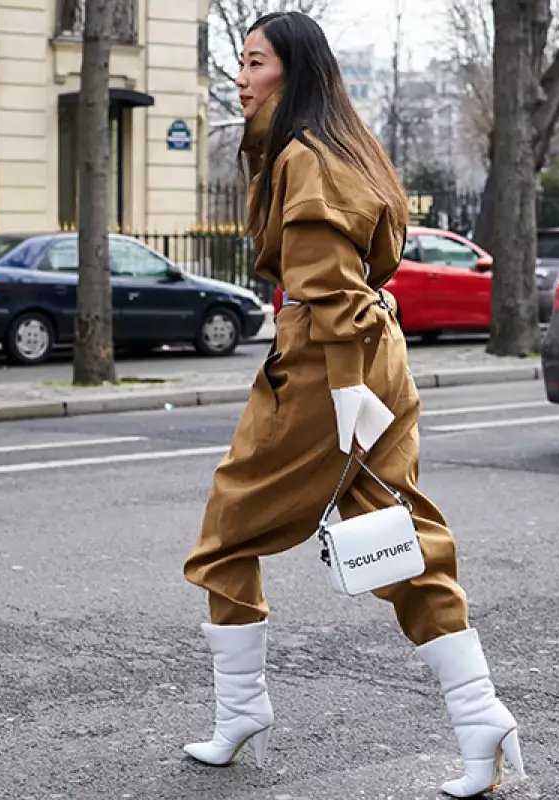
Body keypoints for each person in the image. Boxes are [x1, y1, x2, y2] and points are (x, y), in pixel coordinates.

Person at [180, 12, 526, 798]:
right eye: (240, 61)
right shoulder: (345, 146)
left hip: (324, 366)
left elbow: (329, 289)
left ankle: (243, 711)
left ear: (292, 72)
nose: (241, 76)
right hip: (372, 356)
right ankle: (481, 718)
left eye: (255, 61)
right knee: (396, 536)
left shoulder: (304, 156)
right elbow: (363, 276)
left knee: (226, 533)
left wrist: (342, 395)